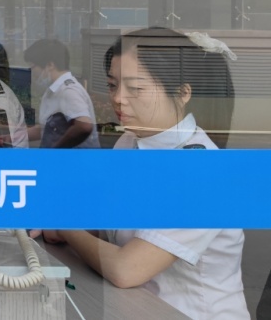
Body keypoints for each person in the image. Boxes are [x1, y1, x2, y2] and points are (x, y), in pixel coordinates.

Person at [40, 27, 246, 319]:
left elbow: (126, 269)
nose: (118, 99)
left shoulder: (200, 170)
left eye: (135, 88)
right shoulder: (130, 141)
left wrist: (64, 227)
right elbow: (110, 222)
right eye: (112, 85)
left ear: (182, 93)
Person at [21, 38, 100, 148]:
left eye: (32, 67)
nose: (31, 72)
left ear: (50, 65)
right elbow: (45, 129)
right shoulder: (54, 91)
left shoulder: (68, 91)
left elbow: (84, 126)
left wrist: (56, 150)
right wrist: (13, 137)